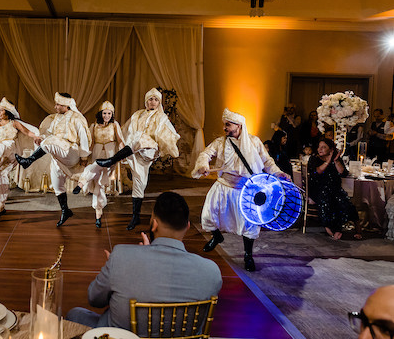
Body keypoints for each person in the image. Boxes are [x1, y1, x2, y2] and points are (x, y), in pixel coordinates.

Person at [65, 192, 222, 332]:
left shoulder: (121, 256)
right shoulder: (212, 271)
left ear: (154, 224)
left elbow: (94, 299)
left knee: (75, 314)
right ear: (187, 227)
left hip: (119, 337)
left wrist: (116, 267)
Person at [192, 108, 288, 272]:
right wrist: (203, 165)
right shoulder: (220, 142)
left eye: (228, 125)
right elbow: (206, 154)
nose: (225, 128)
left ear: (239, 125)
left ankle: (248, 255)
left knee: (249, 224)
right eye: (224, 125)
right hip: (223, 185)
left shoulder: (254, 142)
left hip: (246, 189)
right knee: (209, 215)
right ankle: (217, 237)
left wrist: (278, 172)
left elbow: (267, 161)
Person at [94, 88, 180, 230]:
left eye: (156, 99)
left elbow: (172, 135)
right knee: (139, 184)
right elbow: (126, 130)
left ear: (159, 103)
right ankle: (136, 217)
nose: (153, 102)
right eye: (150, 99)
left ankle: (112, 160)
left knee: (139, 137)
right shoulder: (137, 115)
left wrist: (163, 146)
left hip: (150, 149)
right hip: (136, 151)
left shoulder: (162, 117)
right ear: (146, 101)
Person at [15, 92, 91, 227]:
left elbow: (84, 138)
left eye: (58, 104)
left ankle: (28, 161)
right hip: (58, 153)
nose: (55, 107)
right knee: (57, 186)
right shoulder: (56, 118)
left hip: (71, 152)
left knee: (50, 142)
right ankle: (65, 211)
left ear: (66, 105)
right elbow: (49, 134)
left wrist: (84, 157)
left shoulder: (76, 119)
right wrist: (41, 138)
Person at [72, 101, 125, 228]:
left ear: (112, 114)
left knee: (99, 178)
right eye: (104, 113)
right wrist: (84, 157)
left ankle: (81, 182)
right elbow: (90, 143)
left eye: (109, 113)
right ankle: (98, 213)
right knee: (97, 182)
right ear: (100, 113)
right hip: (97, 153)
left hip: (110, 155)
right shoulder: (94, 126)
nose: (106, 116)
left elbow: (120, 140)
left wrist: (123, 154)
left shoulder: (114, 125)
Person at [308, 137, 363, 240]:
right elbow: (317, 172)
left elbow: (343, 173)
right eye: (319, 147)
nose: (320, 149)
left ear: (331, 149)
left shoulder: (336, 159)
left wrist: (336, 160)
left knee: (344, 202)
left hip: (334, 189)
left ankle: (357, 229)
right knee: (327, 201)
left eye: (324, 147)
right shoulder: (314, 159)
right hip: (318, 189)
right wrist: (328, 162)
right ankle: (331, 230)